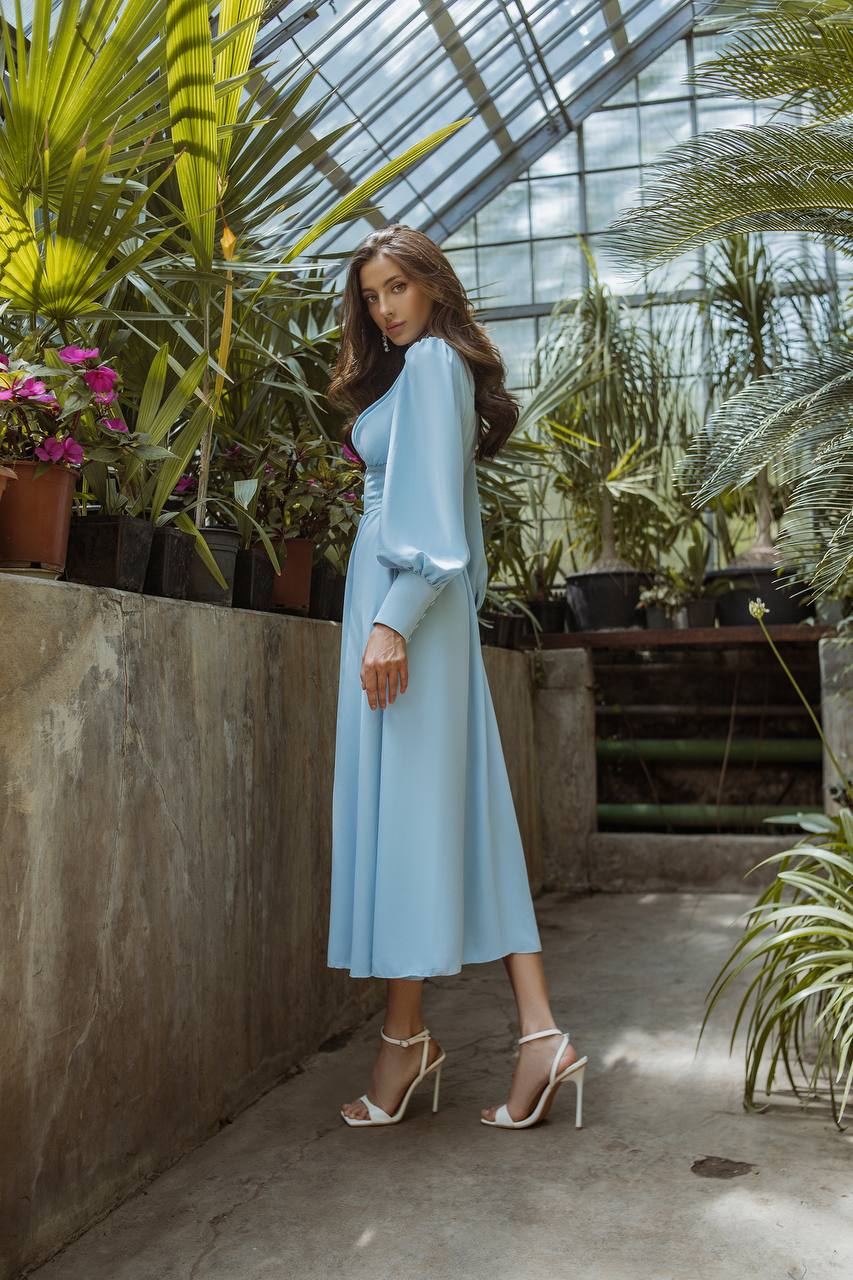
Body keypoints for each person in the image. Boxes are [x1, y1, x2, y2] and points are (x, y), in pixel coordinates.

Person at [325, 224, 588, 1130]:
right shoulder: (418, 372)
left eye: (397, 287)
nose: (384, 308)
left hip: (407, 621)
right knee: (445, 819)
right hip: (398, 617)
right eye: (371, 295)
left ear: (433, 286)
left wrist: (390, 626)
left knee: (419, 818)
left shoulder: (433, 366)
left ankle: (422, 1044)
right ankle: (516, 1035)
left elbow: (439, 536)